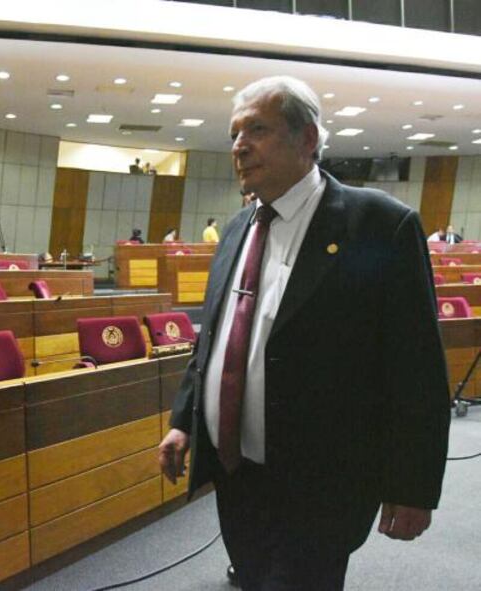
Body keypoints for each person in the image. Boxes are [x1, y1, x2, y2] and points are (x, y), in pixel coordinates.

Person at [158, 76, 449, 591]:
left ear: (308, 139)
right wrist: (185, 419)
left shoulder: (379, 225)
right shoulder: (234, 231)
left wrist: (413, 486)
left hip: (323, 482)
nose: (240, 146)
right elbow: (215, 342)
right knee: (252, 579)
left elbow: (418, 369)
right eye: (233, 134)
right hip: (237, 475)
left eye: (258, 129)